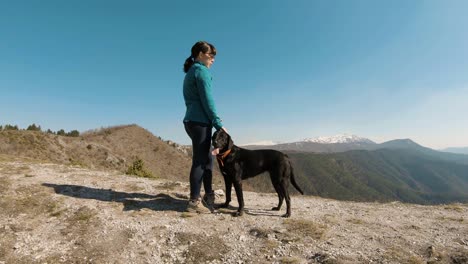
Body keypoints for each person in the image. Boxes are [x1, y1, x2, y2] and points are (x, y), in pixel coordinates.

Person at [182, 41, 227, 213]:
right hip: (200, 122)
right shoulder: (201, 71)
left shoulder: (191, 72)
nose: (213, 59)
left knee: (207, 158)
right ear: (200, 54)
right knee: (200, 161)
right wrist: (218, 124)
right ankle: (194, 202)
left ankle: (208, 194)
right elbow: (208, 101)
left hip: (193, 121)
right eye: (211, 55)